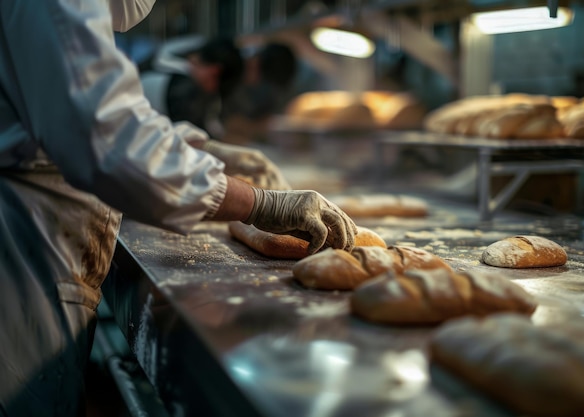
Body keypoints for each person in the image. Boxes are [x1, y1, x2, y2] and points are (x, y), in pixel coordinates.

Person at [0, 1, 357, 416]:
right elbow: (113, 147)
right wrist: (259, 202)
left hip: (41, 233)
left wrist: (202, 150)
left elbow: (84, 114)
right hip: (20, 254)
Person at [141, 35, 244, 138]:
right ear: (214, 71)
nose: (211, 92)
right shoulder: (183, 90)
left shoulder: (168, 54)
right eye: (215, 88)